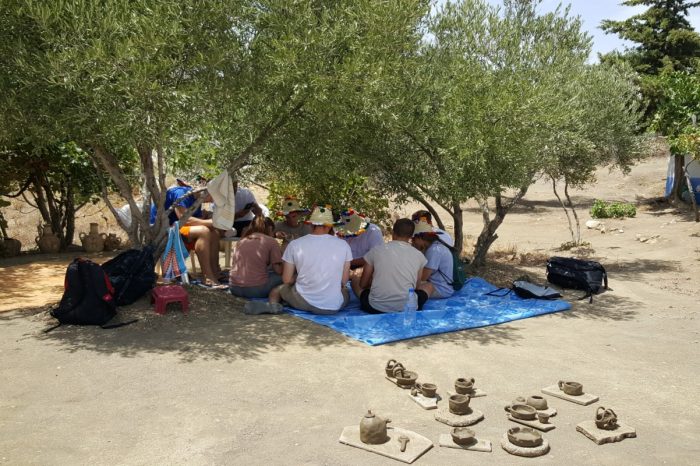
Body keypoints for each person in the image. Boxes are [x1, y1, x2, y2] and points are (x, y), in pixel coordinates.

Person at [265, 205, 352, 315]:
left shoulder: (295, 245)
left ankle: (273, 306)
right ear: (330, 226)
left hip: (304, 302)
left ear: (311, 224)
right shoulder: (343, 245)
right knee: (345, 291)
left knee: (277, 290)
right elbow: (343, 281)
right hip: (334, 306)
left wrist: (298, 278)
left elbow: (286, 280)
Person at [149, 180, 223, 287]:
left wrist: (208, 217)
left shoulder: (197, 200)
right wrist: (213, 222)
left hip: (175, 228)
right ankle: (207, 276)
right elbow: (185, 219)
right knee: (204, 231)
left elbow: (196, 220)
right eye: (213, 197)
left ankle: (215, 272)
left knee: (214, 233)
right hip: (161, 229)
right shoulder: (182, 193)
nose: (212, 201)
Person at [351, 218, 429, 313]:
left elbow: (363, 284)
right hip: (408, 307)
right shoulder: (419, 255)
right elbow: (416, 287)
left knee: (355, 279)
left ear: (393, 232)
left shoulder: (376, 251)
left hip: (376, 307)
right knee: (429, 286)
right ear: (411, 236)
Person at [228, 217, 284, 298]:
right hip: (255, 290)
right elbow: (278, 270)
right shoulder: (271, 241)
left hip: (234, 288)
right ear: (270, 228)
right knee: (288, 276)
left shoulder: (242, 240)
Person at [412, 221, 454, 299]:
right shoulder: (436, 246)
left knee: (407, 290)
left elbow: (423, 277)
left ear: (420, 238)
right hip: (439, 286)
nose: (413, 243)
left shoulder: (434, 250)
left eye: (413, 239)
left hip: (441, 289)